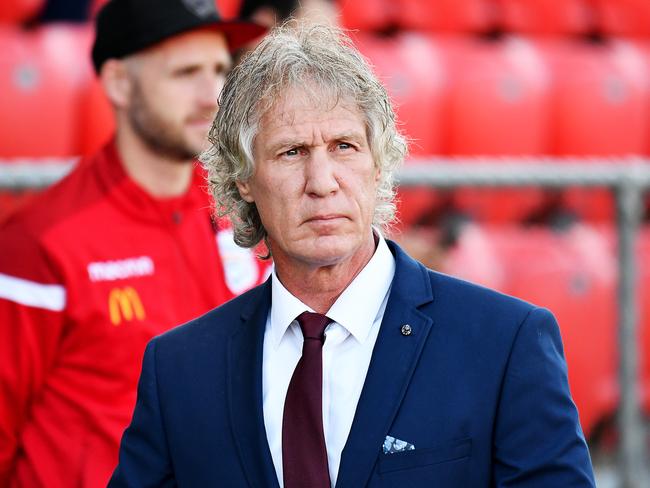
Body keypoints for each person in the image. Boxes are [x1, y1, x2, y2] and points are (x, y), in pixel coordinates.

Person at [109, 22, 596, 487]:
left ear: (378, 162)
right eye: (291, 152)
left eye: (344, 147)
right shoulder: (179, 369)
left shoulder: (504, 343)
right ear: (242, 179)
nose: (322, 183)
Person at [0, 0, 266, 486]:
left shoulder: (247, 215)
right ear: (120, 83)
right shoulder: (40, 244)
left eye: (219, 70)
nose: (213, 95)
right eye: (185, 72)